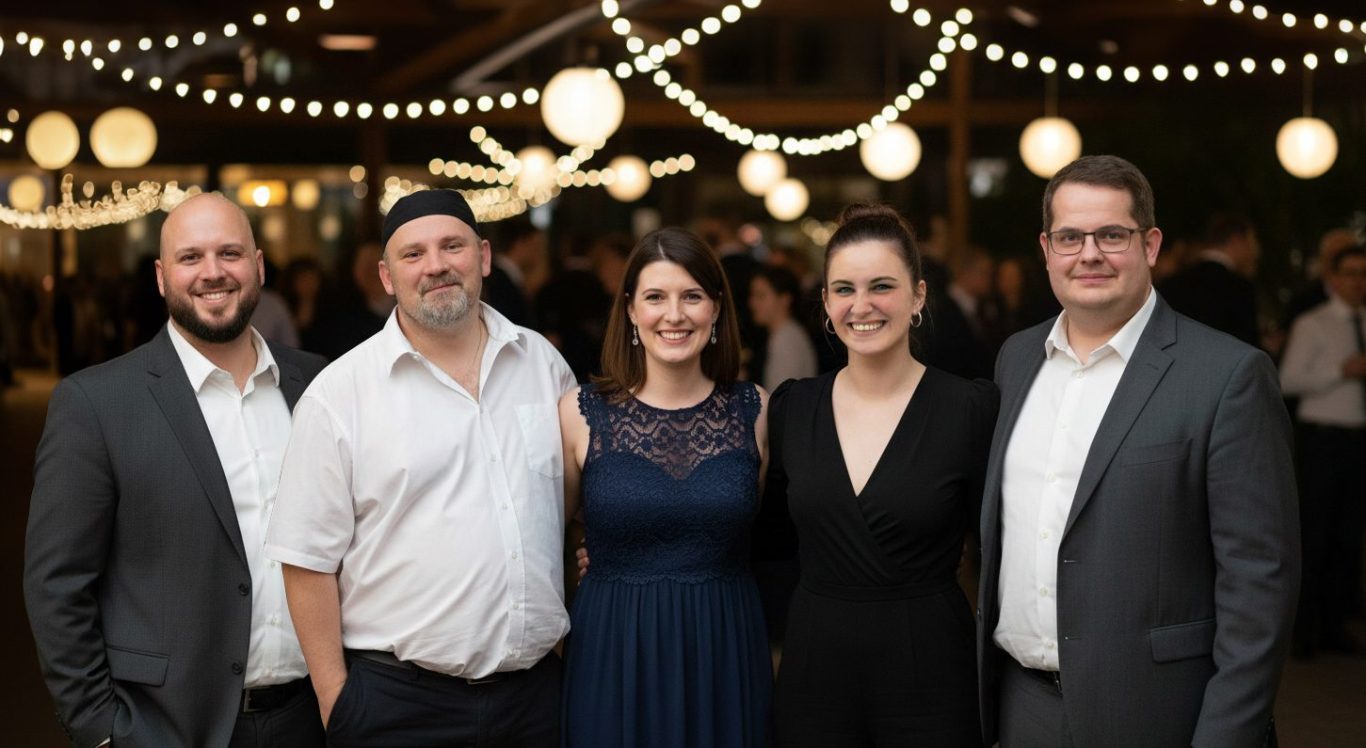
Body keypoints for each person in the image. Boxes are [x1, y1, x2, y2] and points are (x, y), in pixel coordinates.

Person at [978, 155, 1300, 746]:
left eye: (1112, 235)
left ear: (1150, 245)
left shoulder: (1227, 376)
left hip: (1159, 714)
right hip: (1023, 708)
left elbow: (1259, 587)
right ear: (1046, 249)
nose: (1089, 254)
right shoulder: (1016, 359)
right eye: (1070, 237)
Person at [264, 190, 575, 746]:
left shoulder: (543, 365)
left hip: (533, 700)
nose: (435, 265)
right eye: (413, 254)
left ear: (483, 257)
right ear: (387, 277)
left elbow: (566, 506)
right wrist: (338, 703)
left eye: (452, 246)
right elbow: (306, 562)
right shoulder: (341, 394)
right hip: (398, 707)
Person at [24, 193, 328, 747]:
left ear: (259, 266)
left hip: (313, 719)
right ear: (162, 278)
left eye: (230, 253)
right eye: (191, 257)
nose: (213, 272)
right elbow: (58, 584)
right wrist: (100, 729)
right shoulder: (96, 403)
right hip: (165, 727)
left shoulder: (318, 385)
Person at [769, 204, 997, 746]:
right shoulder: (792, 408)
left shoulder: (969, 408)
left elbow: (1000, 552)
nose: (861, 305)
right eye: (843, 289)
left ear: (918, 296)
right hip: (814, 672)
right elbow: (763, 541)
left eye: (882, 286)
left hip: (931, 673)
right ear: (826, 302)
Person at [559, 227, 772, 747]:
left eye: (691, 296)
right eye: (655, 297)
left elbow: (768, 530)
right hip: (614, 647)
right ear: (631, 310)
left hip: (723, 648)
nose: (674, 315)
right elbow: (549, 541)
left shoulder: (757, 410)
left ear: (716, 308)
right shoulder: (578, 414)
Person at [1280, 244, 1366, 657]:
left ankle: (1335, 625)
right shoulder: (1313, 323)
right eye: (1350, 273)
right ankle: (1303, 629)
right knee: (1315, 534)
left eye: (1363, 273)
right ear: (1333, 278)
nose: (1358, 282)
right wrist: (1340, 371)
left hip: (1359, 439)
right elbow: (1288, 380)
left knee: (1349, 537)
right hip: (1323, 439)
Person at [1159, 212, 1261, 347]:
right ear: (1237, 240)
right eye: (1251, 242)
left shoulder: (1171, 283)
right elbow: (1246, 346)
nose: (1255, 251)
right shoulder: (1240, 289)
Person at [750, 265, 818, 390]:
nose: (753, 303)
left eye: (761, 296)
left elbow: (780, 394)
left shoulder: (786, 339)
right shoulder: (785, 334)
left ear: (784, 299)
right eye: (753, 296)